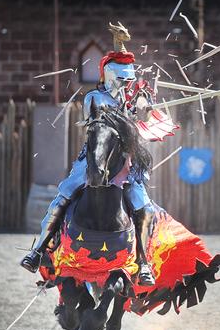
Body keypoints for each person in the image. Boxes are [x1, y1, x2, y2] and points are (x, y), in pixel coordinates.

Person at [20, 23, 177, 286]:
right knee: (63, 195)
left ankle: (143, 262)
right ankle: (39, 251)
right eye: (122, 79)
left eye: (129, 79)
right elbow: (100, 124)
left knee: (144, 206)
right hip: (94, 157)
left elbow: (143, 123)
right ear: (109, 76)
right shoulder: (95, 98)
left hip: (125, 163)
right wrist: (129, 110)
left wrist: (145, 109)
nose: (126, 84)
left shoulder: (134, 98)